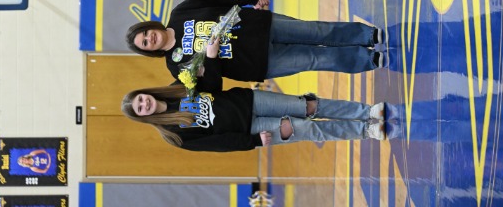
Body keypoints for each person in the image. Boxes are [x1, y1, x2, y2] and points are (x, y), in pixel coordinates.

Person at [126, 0, 386, 85]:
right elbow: (211, 86)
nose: (150, 39)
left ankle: (368, 35)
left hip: (261, 25)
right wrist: (212, 58)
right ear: (148, 51)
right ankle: (368, 60)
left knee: (316, 30)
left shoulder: (179, 12)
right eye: (145, 43)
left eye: (146, 33)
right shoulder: (175, 67)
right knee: (315, 59)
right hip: (259, 63)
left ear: (151, 26)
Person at [121, 82, 387, 152]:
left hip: (251, 100)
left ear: (146, 93)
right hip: (252, 128)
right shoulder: (174, 135)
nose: (145, 104)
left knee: (307, 106)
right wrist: (254, 141)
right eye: (140, 108)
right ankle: (365, 131)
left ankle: (365, 112)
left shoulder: (179, 86)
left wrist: (207, 62)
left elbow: (212, 82)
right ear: (143, 117)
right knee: (306, 129)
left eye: (141, 99)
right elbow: (218, 144)